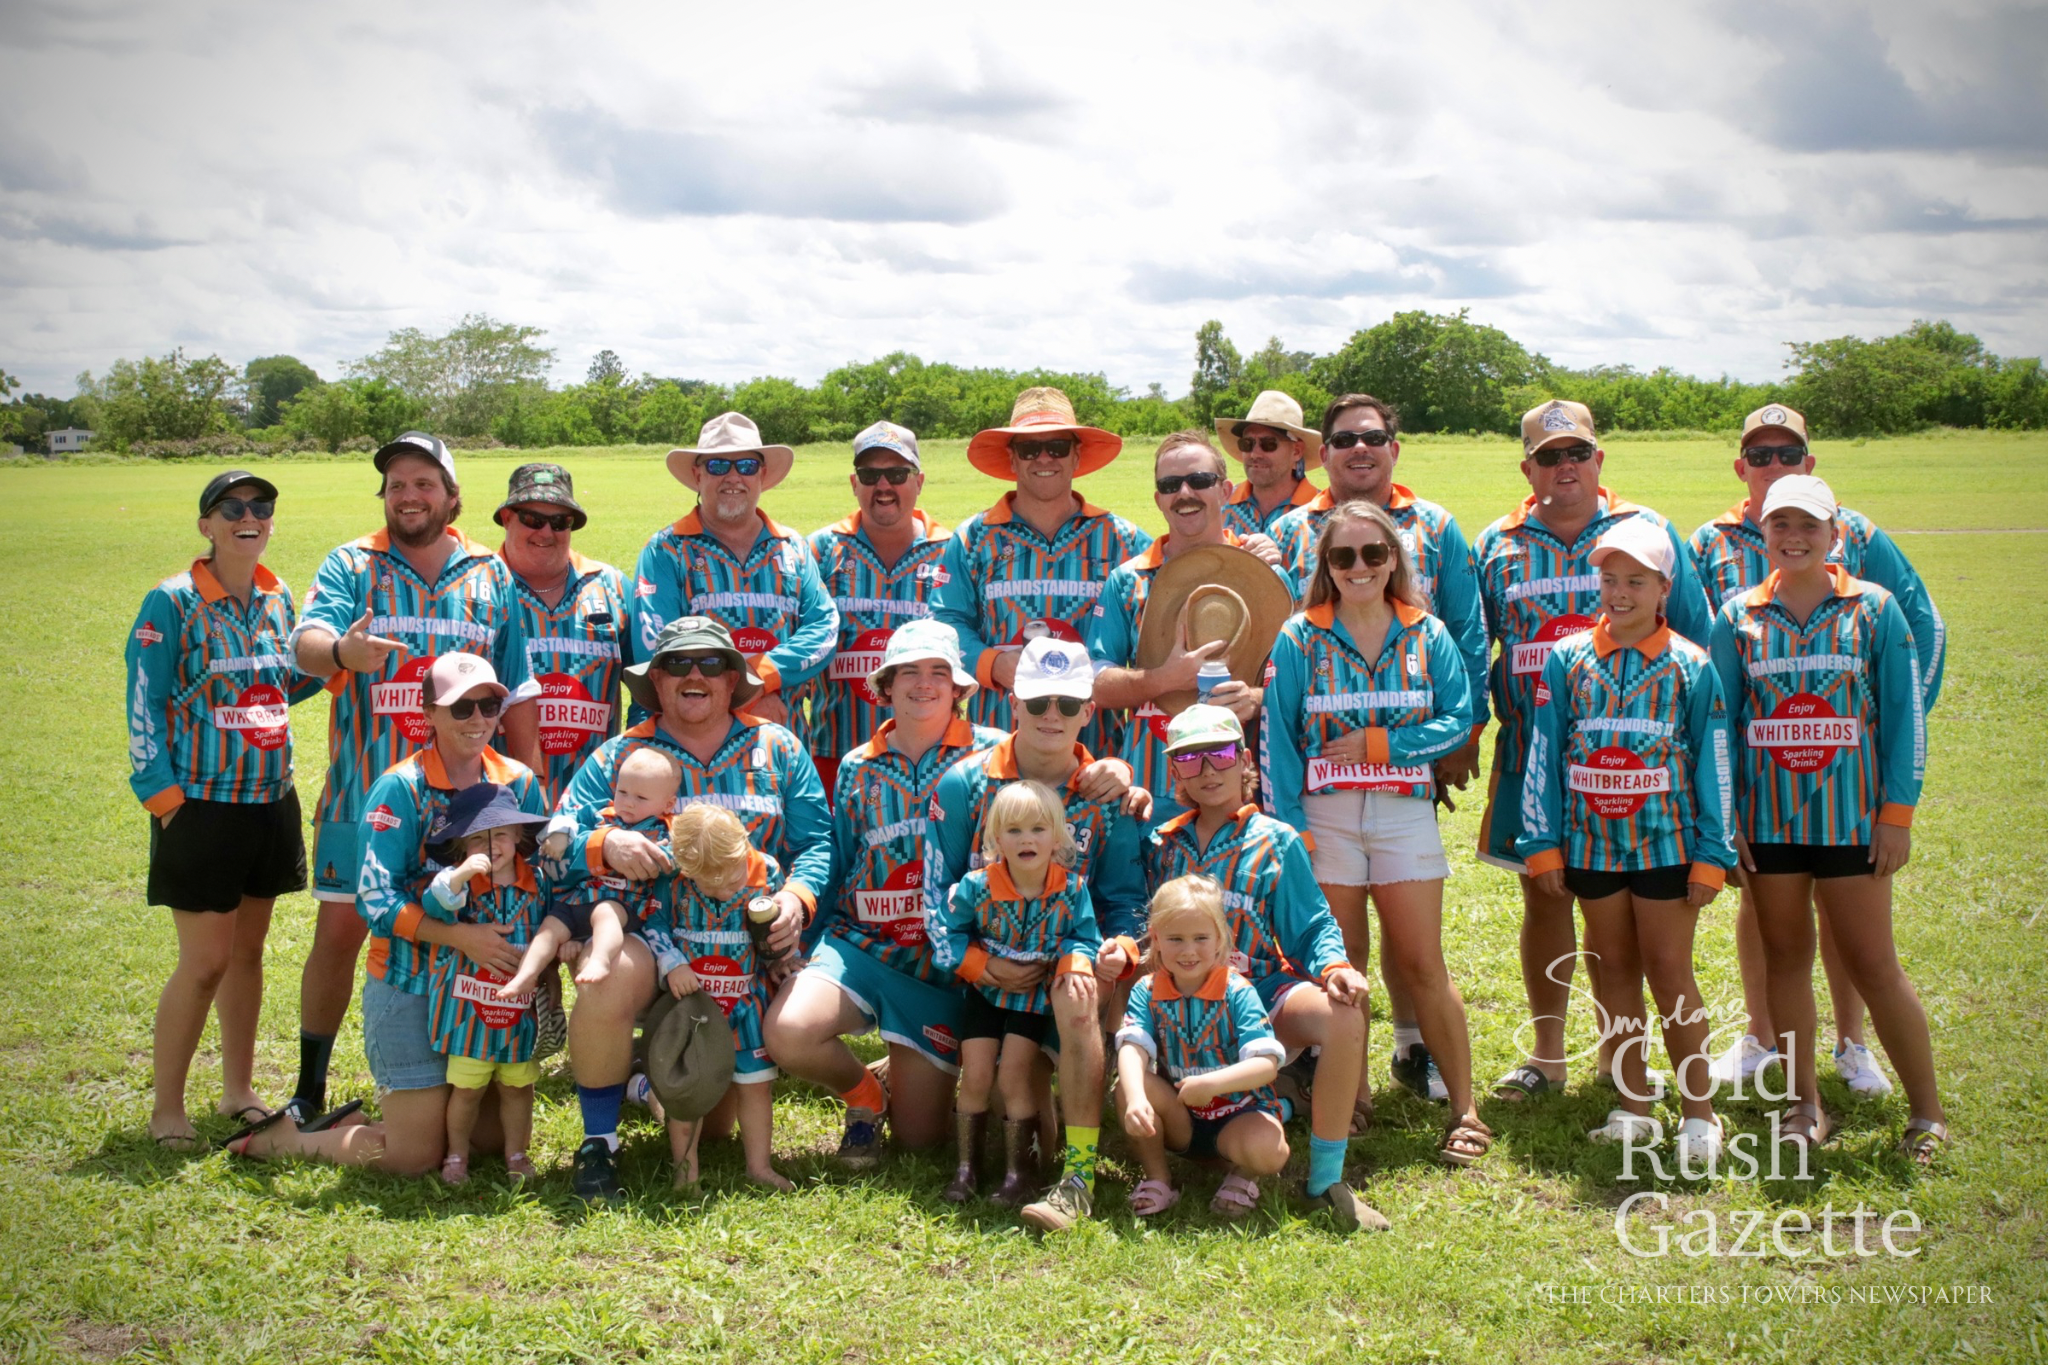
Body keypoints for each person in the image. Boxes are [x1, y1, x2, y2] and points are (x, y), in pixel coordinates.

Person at [1688, 404, 1947, 1096]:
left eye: (1809, 523)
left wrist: (1896, 800)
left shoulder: (1872, 599)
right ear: (1759, 521)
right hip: (1767, 818)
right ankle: (1788, 1078)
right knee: (1783, 952)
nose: (1794, 535)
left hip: (1851, 812)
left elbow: (1907, 693)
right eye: (1779, 522)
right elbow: (1717, 714)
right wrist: (1724, 818)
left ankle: (1903, 1088)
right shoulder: (1732, 603)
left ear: (1836, 532)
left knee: (1869, 954)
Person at [286, 431, 539, 1125]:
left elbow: (516, 691)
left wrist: (525, 787)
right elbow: (305, 645)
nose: (409, 494)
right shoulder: (351, 563)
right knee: (341, 931)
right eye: (397, 482)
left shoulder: (491, 574)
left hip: (470, 804)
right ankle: (309, 1084)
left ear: (452, 496)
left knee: (470, 922)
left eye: (424, 482)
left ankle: (467, 1069)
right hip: (367, 791)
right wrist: (342, 649)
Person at [1473, 400, 1713, 1102]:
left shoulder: (1647, 532)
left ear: (1599, 459)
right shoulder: (1497, 542)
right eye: (1548, 456)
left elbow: (1695, 638)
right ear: (1528, 466)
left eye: (1576, 452)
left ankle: (1621, 1061)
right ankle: (1548, 1056)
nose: (1564, 466)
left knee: (1632, 921)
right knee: (1545, 896)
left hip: (1646, 770)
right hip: (1538, 756)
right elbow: (1469, 640)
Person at [225, 654, 548, 1173]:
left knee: (486, 1139)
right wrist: (460, 938)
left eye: (489, 705)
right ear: (428, 713)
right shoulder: (400, 788)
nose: (478, 719)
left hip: (482, 990)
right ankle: (283, 1140)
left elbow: (542, 881)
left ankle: (409, 1115)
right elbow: (376, 899)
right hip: (411, 982)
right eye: (461, 707)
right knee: (414, 1157)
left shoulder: (519, 782)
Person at [551, 616, 829, 1202]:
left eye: (710, 663)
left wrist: (794, 901)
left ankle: (644, 1077)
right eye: (677, 663)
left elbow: (817, 845)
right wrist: (604, 844)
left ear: (733, 678)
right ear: (655, 679)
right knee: (606, 978)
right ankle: (599, 1143)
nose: (694, 674)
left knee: (718, 1119)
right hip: (657, 945)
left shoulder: (778, 747)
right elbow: (552, 848)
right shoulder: (620, 755)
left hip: (744, 955)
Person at [1269, 394, 1489, 1099]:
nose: (1358, 564)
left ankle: (1449, 1087)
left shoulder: (1427, 617)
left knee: (1421, 953)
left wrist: (1397, 743)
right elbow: (1278, 721)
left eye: (1372, 553)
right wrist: (1286, 820)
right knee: (1344, 953)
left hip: (1402, 792)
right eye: (1343, 438)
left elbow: (1464, 675)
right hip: (1325, 806)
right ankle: (1345, 1088)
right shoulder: (1298, 605)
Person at [1517, 521, 1735, 1161]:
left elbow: (1714, 762)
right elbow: (1545, 754)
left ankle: (1699, 1115)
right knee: (1610, 970)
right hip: (1590, 846)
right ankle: (1633, 1103)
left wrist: (1712, 857)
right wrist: (1542, 844)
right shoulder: (1568, 659)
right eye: (1609, 579)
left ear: (1664, 588)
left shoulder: (1692, 666)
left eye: (1636, 581)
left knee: (1670, 974)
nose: (1619, 592)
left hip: (1667, 847)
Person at [126, 471, 322, 1148]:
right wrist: (163, 797)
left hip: (271, 799)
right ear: (206, 524)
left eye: (261, 507)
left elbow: (280, 684)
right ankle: (167, 1109)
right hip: (201, 806)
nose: (250, 516)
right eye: (232, 508)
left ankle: (238, 1089)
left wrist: (339, 659)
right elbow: (144, 701)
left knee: (248, 954)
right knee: (204, 961)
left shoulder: (276, 594)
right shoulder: (171, 601)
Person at [765, 620, 1005, 1165]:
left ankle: (901, 1067)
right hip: (863, 946)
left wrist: (1110, 771)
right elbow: (841, 861)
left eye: (939, 673)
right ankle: (865, 1095)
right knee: (791, 1032)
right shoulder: (857, 764)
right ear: (886, 684)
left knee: (921, 1142)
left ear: (959, 687)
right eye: (909, 673)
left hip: (942, 967)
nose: (924, 685)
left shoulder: (996, 754)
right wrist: (803, 947)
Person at [1144, 706, 1384, 1228]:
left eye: (1221, 754)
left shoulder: (1277, 840)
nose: (1208, 770)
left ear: (1245, 760)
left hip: (1258, 994)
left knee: (1342, 1016)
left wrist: (1335, 966)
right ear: (1174, 771)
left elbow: (1312, 923)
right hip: (1180, 1003)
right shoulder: (1161, 843)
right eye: (1189, 758)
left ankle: (1325, 1180)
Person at [1087, 431, 1292, 829]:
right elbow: (1095, 682)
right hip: (1150, 791)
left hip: (1245, 791)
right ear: (1158, 499)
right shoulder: (1129, 581)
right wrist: (1163, 678)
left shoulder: (1268, 577)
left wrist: (1256, 697)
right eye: (1169, 485)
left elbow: (1306, 684)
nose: (1184, 493)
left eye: (1199, 480)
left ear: (1226, 490)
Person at [932, 385, 1150, 754]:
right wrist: (995, 663)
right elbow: (944, 625)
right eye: (1029, 448)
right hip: (996, 746)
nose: (1044, 458)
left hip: (1098, 752)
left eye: (1058, 447)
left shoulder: (1123, 540)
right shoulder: (974, 538)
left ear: (1077, 455)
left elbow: (1167, 610)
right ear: (1013, 459)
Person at [932, 782, 1104, 1213]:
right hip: (985, 994)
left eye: (1038, 829)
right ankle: (966, 1168)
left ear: (1059, 837)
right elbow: (944, 932)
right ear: (995, 840)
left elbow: (1083, 936)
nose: (1026, 839)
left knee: (1013, 1077)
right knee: (973, 1076)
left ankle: (1019, 1174)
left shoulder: (1071, 889)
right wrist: (977, 967)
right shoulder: (976, 887)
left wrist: (1072, 966)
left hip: (1032, 1000)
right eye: (1013, 831)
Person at [634, 411, 838, 731]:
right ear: (697, 474)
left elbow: (824, 628)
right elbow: (658, 652)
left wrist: (762, 676)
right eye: (718, 465)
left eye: (746, 466)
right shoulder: (666, 551)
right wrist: (740, 697)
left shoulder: (794, 548)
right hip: (693, 751)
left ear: (762, 474)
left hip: (784, 745)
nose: (733, 477)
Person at [1114, 876, 1290, 1222]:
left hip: (1238, 1114)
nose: (1189, 950)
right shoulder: (1146, 990)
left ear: (1220, 939)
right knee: (1128, 1085)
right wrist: (1135, 1099)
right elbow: (1132, 1048)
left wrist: (1213, 1085)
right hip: (1182, 1119)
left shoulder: (1238, 991)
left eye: (1200, 938)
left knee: (1269, 1151)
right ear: (1156, 938)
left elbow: (1267, 1065)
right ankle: (1158, 1178)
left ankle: (1243, 1173)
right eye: (1175, 939)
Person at [640, 803, 792, 1192]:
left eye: (734, 877)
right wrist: (672, 963)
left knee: (756, 1086)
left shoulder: (766, 871)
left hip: (746, 1002)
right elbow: (653, 923)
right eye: (715, 885)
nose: (729, 888)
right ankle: (684, 1175)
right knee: (685, 1090)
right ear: (688, 871)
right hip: (693, 1010)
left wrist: (779, 959)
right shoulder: (672, 880)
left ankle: (759, 1166)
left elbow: (775, 933)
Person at [807, 421, 955, 796]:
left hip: (935, 757)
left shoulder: (953, 552)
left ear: (918, 482)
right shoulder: (820, 550)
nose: (883, 485)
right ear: (855, 484)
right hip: (836, 752)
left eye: (897, 473)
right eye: (870, 474)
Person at [421, 782, 551, 1184]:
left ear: (518, 836)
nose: (490, 844)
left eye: (499, 833)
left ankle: (517, 1153)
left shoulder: (540, 883)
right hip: (468, 1014)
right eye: (477, 838)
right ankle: (456, 1155)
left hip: (520, 1013)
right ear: (461, 847)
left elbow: (559, 922)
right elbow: (434, 903)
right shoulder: (457, 885)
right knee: (467, 1089)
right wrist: (459, 875)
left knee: (518, 1087)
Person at [495, 462, 633, 806]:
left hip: (595, 801)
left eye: (560, 522)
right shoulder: (481, 586)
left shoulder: (612, 586)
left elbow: (650, 684)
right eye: (532, 519)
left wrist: (634, 759)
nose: (546, 532)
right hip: (498, 802)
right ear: (507, 517)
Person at [504, 746, 681, 1000]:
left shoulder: (664, 830)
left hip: (625, 903)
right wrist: (558, 835)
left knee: (605, 913)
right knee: (551, 926)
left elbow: (676, 860)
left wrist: (667, 857)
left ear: (668, 803)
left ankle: (600, 959)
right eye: (622, 792)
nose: (628, 802)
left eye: (641, 798)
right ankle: (526, 975)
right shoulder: (602, 812)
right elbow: (569, 819)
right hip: (580, 898)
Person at [1215, 390, 1322, 538]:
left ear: (1296, 451)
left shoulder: (1321, 512)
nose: (1255, 454)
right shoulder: (1220, 505)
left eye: (1268, 444)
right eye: (1247, 443)